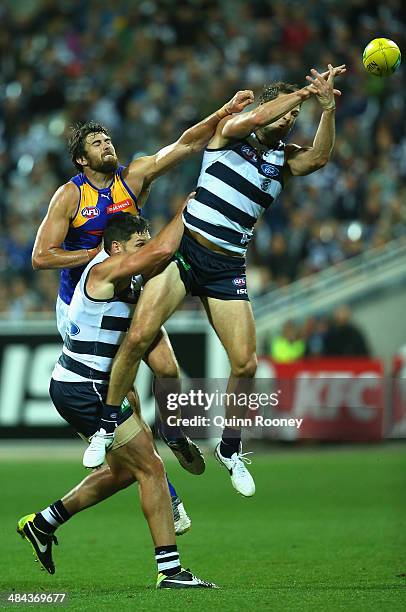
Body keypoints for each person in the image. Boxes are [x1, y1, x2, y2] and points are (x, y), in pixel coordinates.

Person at [98, 64, 345, 497]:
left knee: (246, 363)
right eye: (283, 113)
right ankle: (105, 426)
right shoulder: (230, 132)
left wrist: (326, 109)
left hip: (228, 266)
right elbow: (251, 118)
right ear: (268, 108)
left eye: (292, 119)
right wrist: (306, 92)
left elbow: (320, 158)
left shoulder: (282, 160)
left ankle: (230, 449)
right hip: (185, 251)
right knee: (138, 335)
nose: (287, 121)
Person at [31, 90, 254, 526]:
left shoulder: (131, 179)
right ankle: (167, 495)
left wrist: (222, 113)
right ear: (81, 160)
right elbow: (42, 256)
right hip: (86, 307)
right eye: (96, 143)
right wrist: (98, 258)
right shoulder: (70, 197)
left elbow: (186, 144)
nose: (106, 145)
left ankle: (172, 430)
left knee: (168, 368)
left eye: (108, 139)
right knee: (127, 402)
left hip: (128, 295)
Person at [18, 207, 217, 589]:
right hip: (85, 389)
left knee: (126, 472)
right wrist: (189, 209)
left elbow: (165, 364)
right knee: (151, 469)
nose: (145, 250)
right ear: (116, 248)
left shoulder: (133, 289)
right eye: (137, 245)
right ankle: (171, 571)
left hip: (81, 387)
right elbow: (159, 252)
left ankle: (43, 523)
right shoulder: (102, 271)